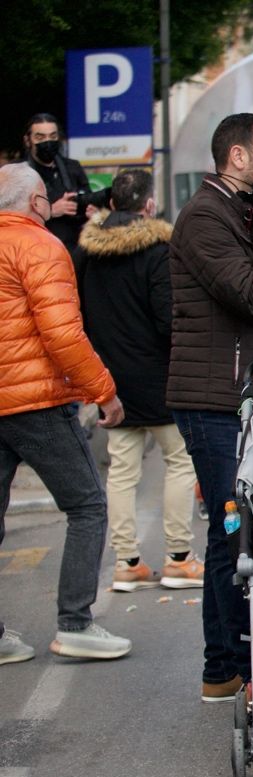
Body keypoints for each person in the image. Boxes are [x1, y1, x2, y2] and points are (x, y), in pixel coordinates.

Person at [167, 112, 253, 723]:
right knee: (241, 535)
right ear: (237, 158)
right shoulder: (203, 217)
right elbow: (250, 297)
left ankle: (221, 671)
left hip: (248, 391)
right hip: (215, 399)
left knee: (230, 538)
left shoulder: (245, 213)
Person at [0, 162, 130, 665]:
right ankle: (75, 622)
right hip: (33, 401)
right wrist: (104, 390)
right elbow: (61, 334)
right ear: (37, 202)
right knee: (87, 505)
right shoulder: (40, 246)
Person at [73, 169, 203, 593]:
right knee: (180, 462)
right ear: (148, 206)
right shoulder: (157, 250)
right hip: (159, 377)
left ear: (112, 204)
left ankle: (127, 562)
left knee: (121, 472)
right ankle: (179, 559)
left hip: (110, 380)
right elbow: (170, 320)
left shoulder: (87, 252)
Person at [22, 113, 90, 251]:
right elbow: (9, 217)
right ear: (27, 140)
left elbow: (88, 198)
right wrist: (51, 211)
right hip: (34, 249)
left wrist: (89, 209)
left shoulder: (73, 167)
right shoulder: (17, 171)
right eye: (40, 137)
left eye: (53, 137)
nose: (47, 142)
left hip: (73, 249)